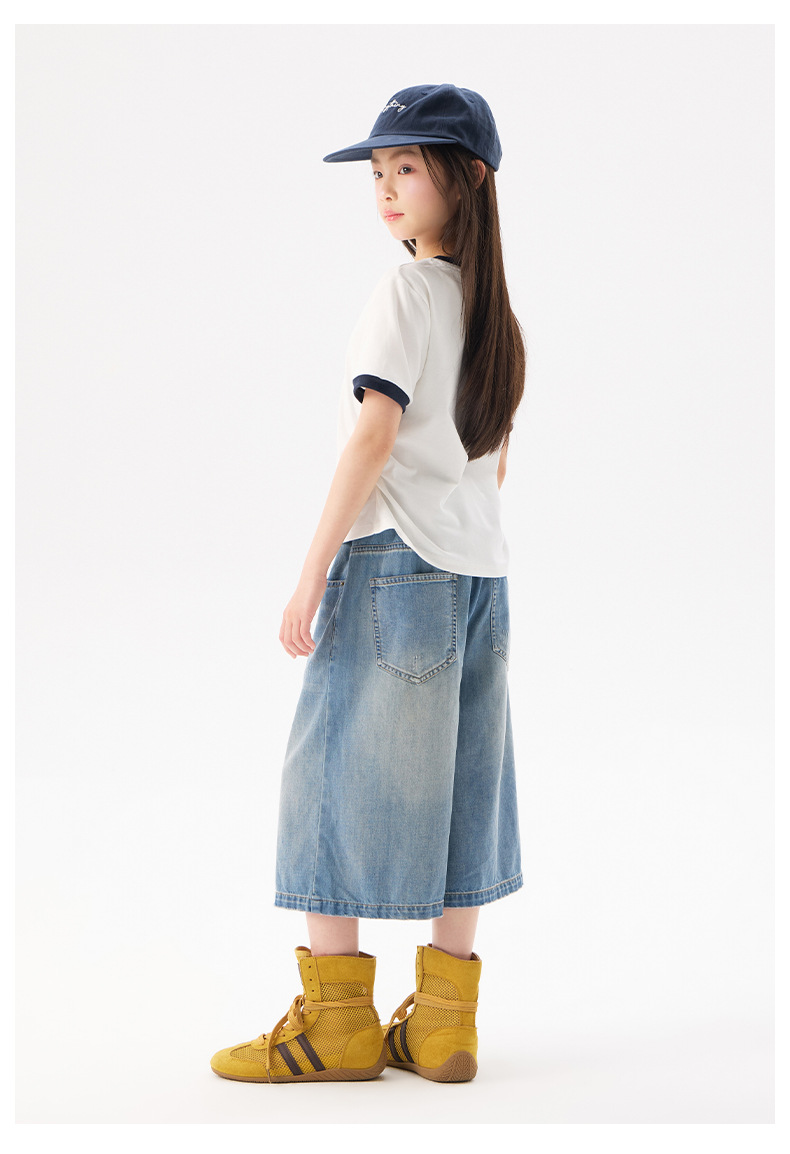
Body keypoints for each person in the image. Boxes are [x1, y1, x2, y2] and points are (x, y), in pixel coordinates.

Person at [210, 82, 527, 1085]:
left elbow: (373, 436)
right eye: (378, 171)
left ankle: (338, 1022)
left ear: (466, 179)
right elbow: (494, 462)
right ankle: (443, 1024)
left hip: (394, 565)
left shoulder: (407, 292)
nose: (385, 188)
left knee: (327, 772)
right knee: (466, 782)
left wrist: (312, 572)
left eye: (407, 167)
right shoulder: (494, 313)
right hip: (479, 571)